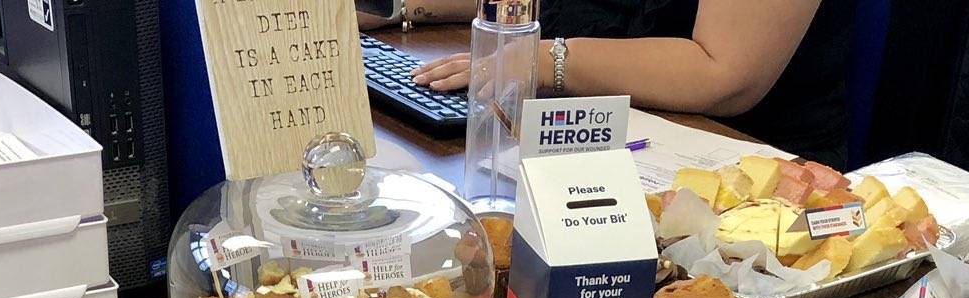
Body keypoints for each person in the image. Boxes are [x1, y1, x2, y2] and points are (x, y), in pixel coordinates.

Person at [363, 0, 856, 169]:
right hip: (586, 134)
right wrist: (395, 7)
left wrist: (539, 60)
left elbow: (723, 75)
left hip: (739, 174)